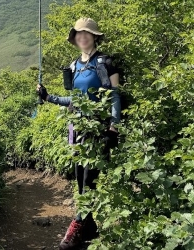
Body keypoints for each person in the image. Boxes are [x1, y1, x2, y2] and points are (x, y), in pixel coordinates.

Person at [37, 18, 121, 250]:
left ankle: (75, 229)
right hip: (76, 128)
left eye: (87, 33)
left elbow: (114, 96)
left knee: (88, 181)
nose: (82, 37)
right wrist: (48, 97)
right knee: (79, 177)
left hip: (97, 129)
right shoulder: (74, 66)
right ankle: (90, 227)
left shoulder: (105, 63)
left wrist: (114, 127)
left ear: (94, 37)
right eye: (78, 34)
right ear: (75, 39)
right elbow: (74, 100)